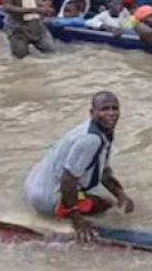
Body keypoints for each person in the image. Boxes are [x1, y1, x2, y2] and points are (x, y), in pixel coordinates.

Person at [24, 91, 135, 242]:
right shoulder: (91, 139)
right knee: (106, 206)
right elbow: (68, 179)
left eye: (114, 108)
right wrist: (77, 220)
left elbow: (103, 171)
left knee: (110, 199)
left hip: (34, 183)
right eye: (104, 109)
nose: (111, 113)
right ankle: (63, 212)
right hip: (45, 198)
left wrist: (122, 195)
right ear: (92, 112)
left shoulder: (101, 130)